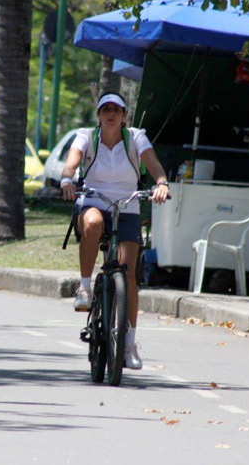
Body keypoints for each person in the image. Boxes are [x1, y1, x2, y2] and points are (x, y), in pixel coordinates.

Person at [60, 91, 170, 370]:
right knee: (94, 224)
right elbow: (72, 160)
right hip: (94, 200)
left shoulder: (135, 138)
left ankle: (129, 344)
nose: (111, 113)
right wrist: (67, 178)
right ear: (98, 115)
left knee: (128, 273)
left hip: (127, 206)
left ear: (124, 116)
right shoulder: (86, 136)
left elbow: (152, 162)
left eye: (117, 109)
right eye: (105, 109)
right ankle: (84, 289)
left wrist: (161, 183)